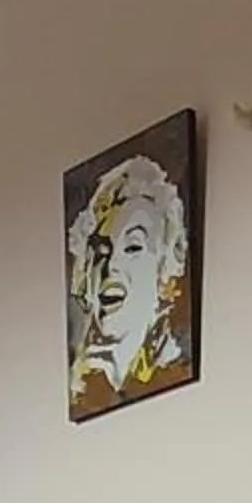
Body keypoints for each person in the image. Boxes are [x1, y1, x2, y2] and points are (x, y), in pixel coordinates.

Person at [67, 153, 193, 416]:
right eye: (101, 251)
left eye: (133, 247)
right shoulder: (84, 381)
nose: (111, 264)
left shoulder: (173, 367)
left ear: (166, 266)